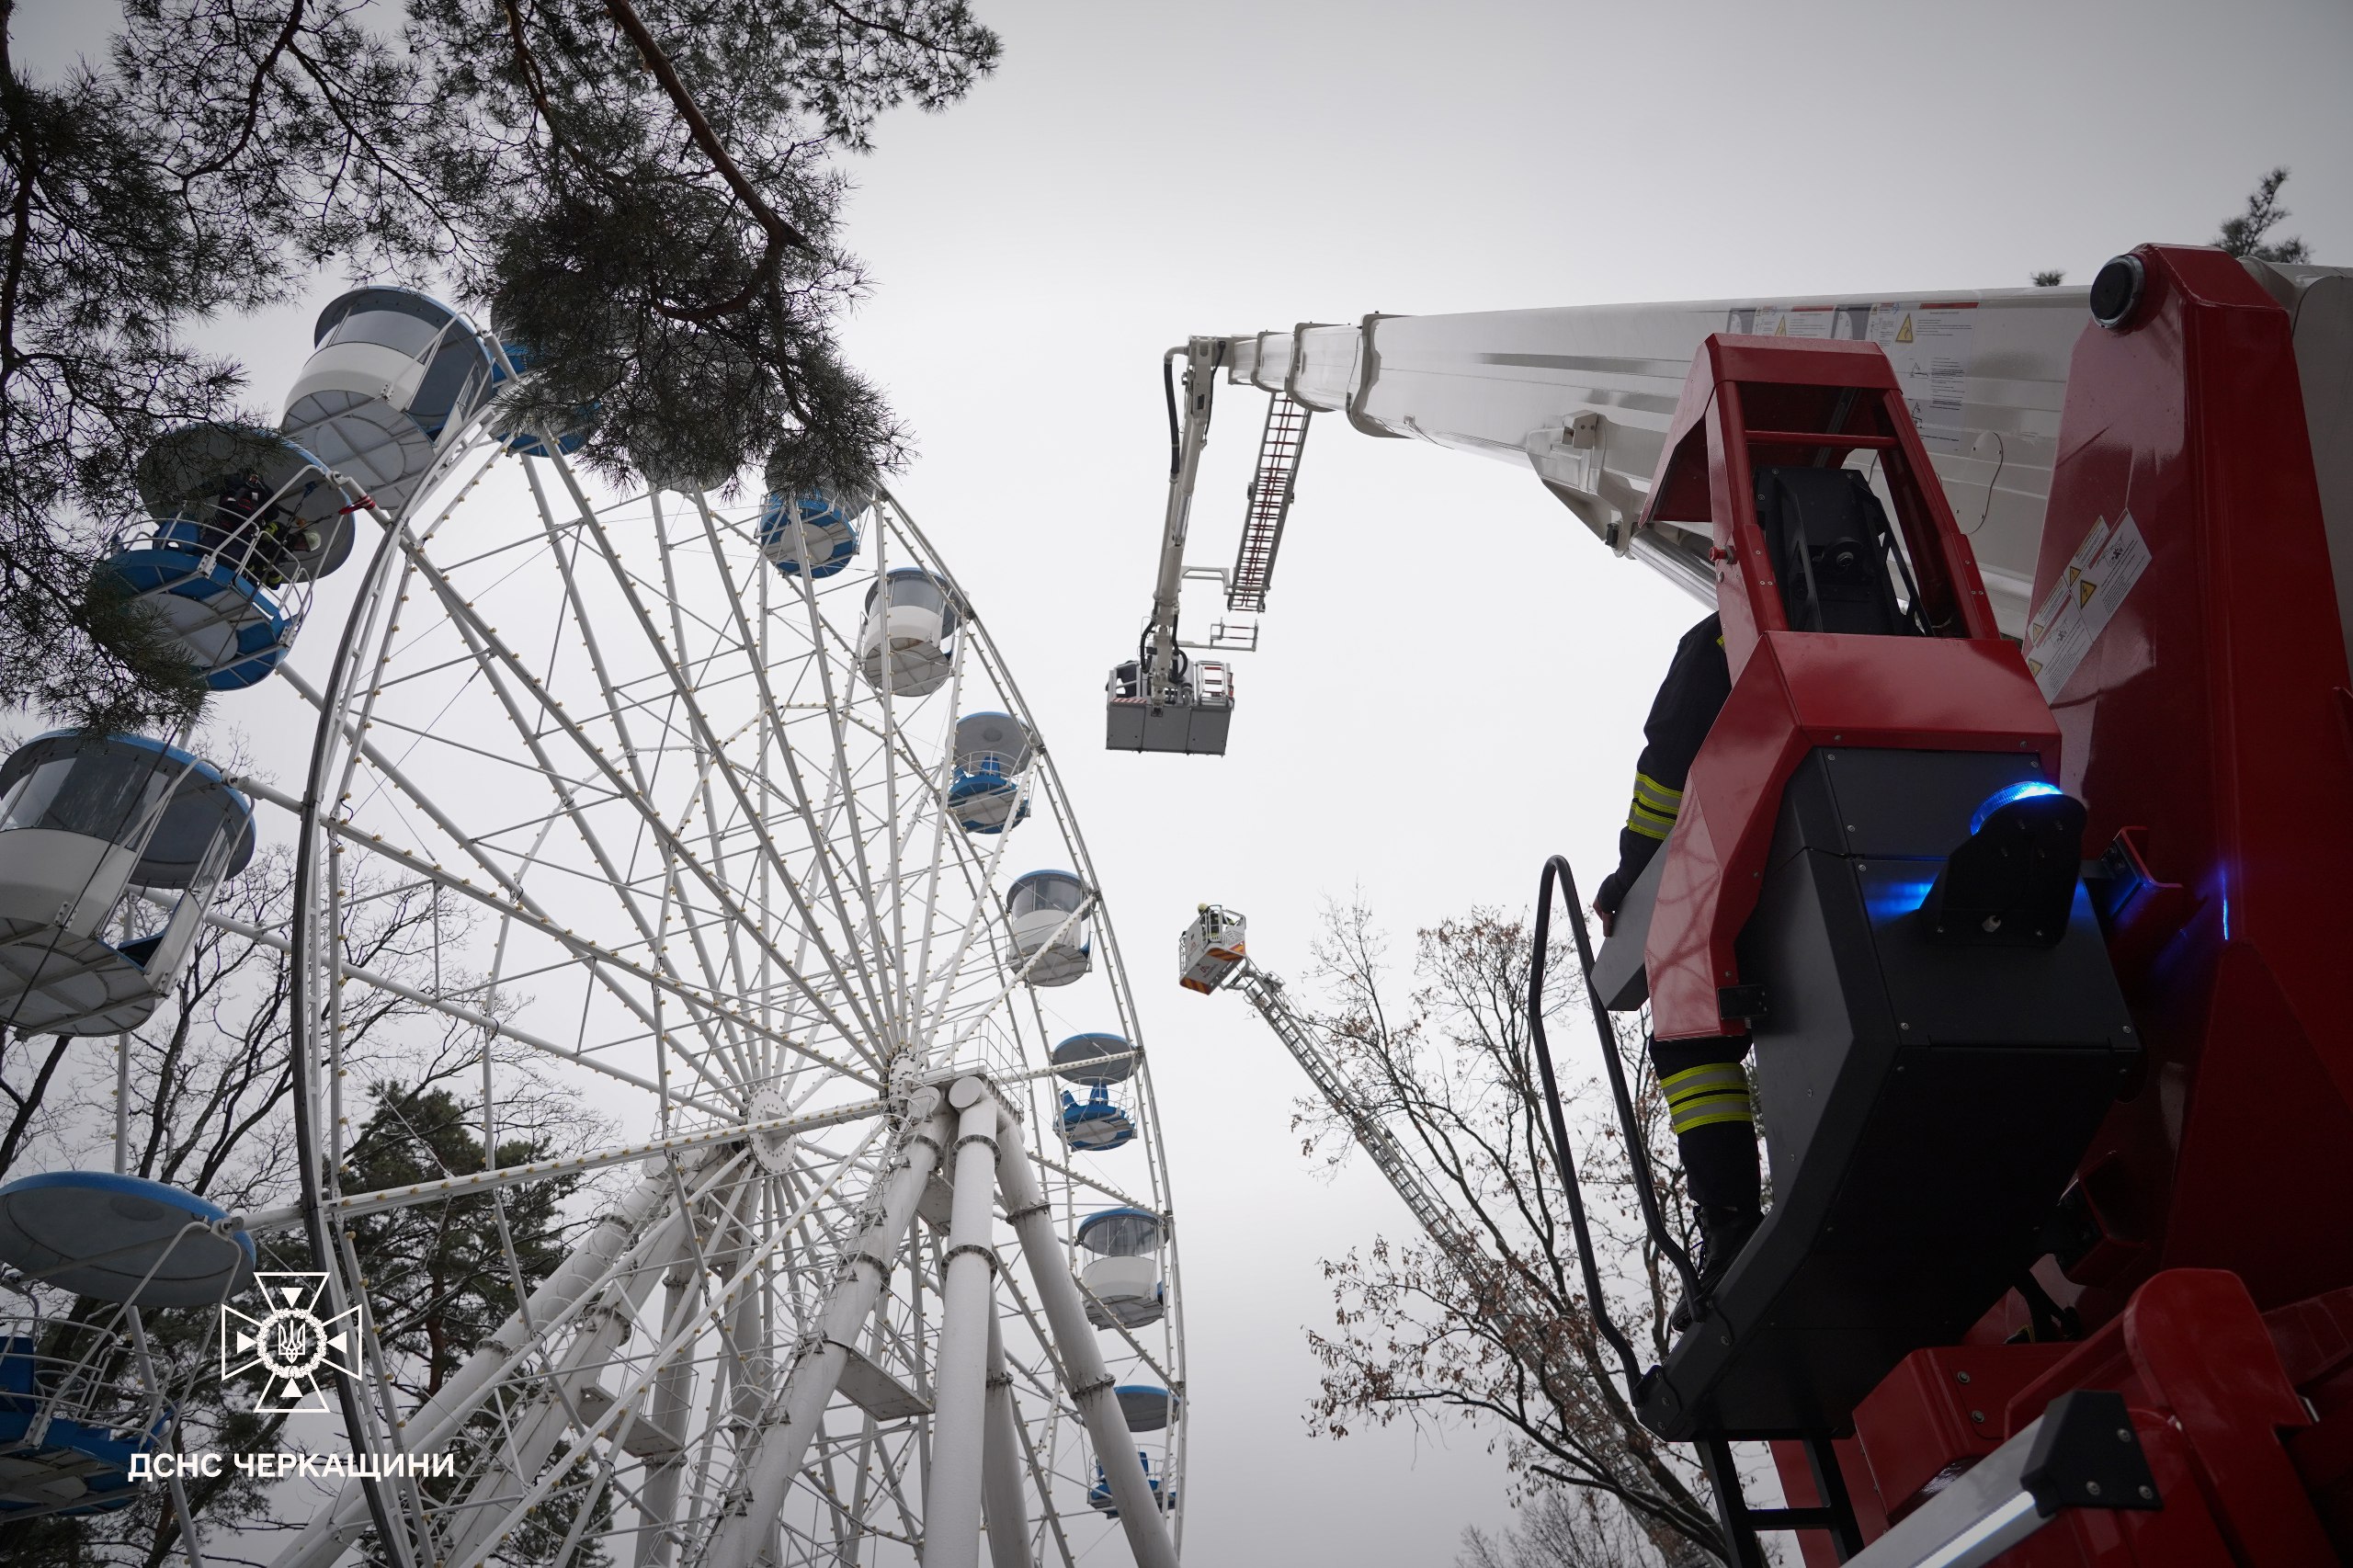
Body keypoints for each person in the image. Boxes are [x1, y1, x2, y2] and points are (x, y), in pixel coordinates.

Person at [1592, 611, 1756, 1330]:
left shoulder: (1727, 633)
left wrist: (1634, 875)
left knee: (1690, 1032)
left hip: (1789, 852)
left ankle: (1730, 1226)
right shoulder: (1909, 621)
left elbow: (1668, 763)